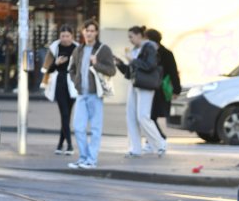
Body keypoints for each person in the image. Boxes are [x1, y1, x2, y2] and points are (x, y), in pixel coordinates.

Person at [68, 19, 116, 169]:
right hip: (82, 94)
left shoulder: (103, 49)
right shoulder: (78, 50)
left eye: (92, 31)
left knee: (95, 129)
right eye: (86, 30)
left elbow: (112, 70)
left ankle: (92, 160)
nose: (89, 33)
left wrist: (96, 64)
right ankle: (83, 158)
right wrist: (76, 83)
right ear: (83, 32)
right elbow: (72, 69)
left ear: (96, 32)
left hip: (96, 94)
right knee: (78, 127)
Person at [114, 26, 166, 158]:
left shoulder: (149, 47)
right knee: (131, 117)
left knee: (143, 116)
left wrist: (133, 60)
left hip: (146, 85)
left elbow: (150, 65)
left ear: (139, 35)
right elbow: (130, 72)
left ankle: (160, 144)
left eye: (131, 37)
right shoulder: (135, 50)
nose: (130, 40)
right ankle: (135, 148)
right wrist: (120, 64)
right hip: (134, 84)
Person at [41, 25, 78, 155]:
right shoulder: (54, 48)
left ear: (72, 36)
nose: (65, 39)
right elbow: (47, 70)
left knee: (67, 115)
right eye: (63, 36)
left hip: (72, 84)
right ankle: (69, 145)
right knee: (64, 114)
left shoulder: (77, 49)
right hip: (60, 82)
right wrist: (56, 63)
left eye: (68, 36)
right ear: (59, 36)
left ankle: (59, 145)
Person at [145, 28, 181, 147]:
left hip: (159, 90)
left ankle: (158, 138)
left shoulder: (165, 54)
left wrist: (176, 89)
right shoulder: (150, 52)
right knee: (149, 115)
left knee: (150, 115)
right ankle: (153, 138)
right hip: (151, 88)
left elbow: (173, 72)